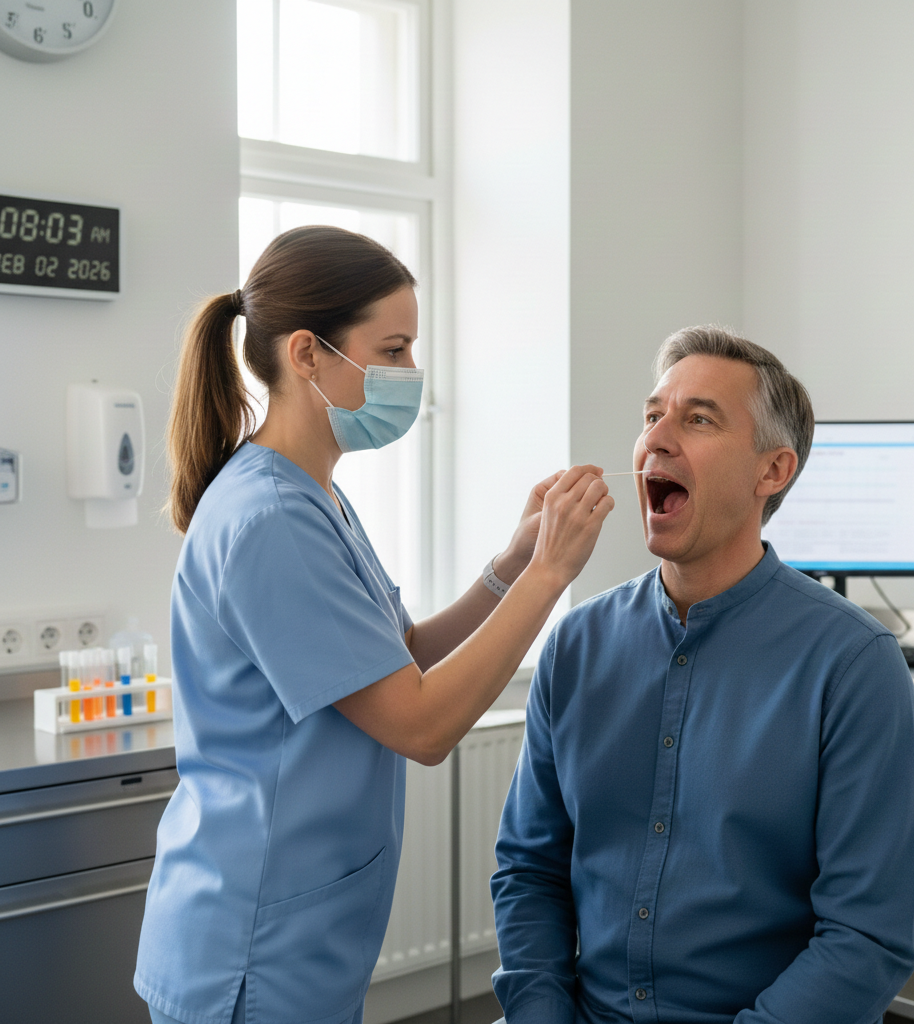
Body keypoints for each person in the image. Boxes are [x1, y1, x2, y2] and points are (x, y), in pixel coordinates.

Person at [133, 225, 614, 1024]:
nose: (410, 375)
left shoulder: (312, 494)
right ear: (308, 355)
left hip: (299, 928)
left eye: (412, 351)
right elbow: (421, 725)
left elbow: (399, 656)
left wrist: (510, 564)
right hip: (251, 949)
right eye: (391, 350)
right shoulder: (272, 519)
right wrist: (553, 573)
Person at [491, 326, 914, 1024]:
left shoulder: (854, 665)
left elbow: (865, 940)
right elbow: (528, 871)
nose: (656, 438)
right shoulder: (576, 642)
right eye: (651, 416)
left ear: (772, 471)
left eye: (697, 419)